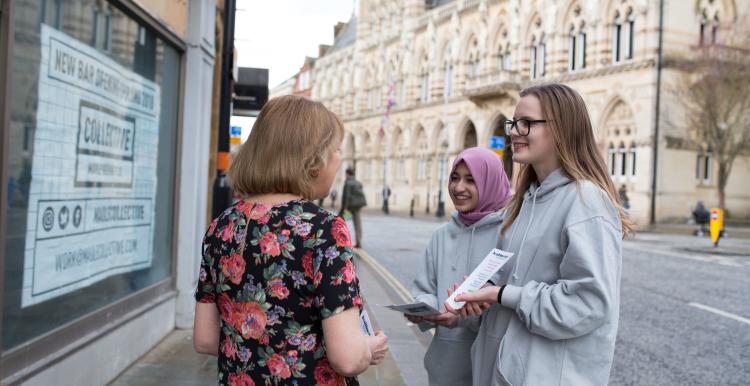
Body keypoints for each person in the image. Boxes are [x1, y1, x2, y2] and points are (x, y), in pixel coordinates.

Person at [193, 95, 388, 385]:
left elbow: (205, 340)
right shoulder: (323, 230)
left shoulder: (221, 227)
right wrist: (369, 348)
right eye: (334, 150)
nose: (338, 159)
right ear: (312, 160)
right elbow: (347, 357)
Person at [449, 83, 634, 386]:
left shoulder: (586, 201)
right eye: (513, 123)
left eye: (526, 123)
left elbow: (588, 303)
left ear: (561, 128)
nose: (513, 132)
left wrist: (502, 294)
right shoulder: (525, 201)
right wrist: (481, 296)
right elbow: (515, 282)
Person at [409, 147, 511, 386]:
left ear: (490, 183)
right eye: (455, 178)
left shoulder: (509, 234)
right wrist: (425, 310)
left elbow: (511, 303)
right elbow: (424, 287)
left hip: (493, 368)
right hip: (446, 368)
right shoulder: (441, 235)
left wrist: (463, 318)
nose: (458, 187)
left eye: (470, 180)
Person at [340, 167, 366, 248]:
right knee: (357, 224)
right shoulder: (358, 183)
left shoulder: (348, 183)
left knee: (341, 222)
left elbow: (346, 197)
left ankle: (339, 240)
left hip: (349, 209)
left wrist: (345, 208)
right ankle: (359, 242)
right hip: (357, 207)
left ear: (347, 173)